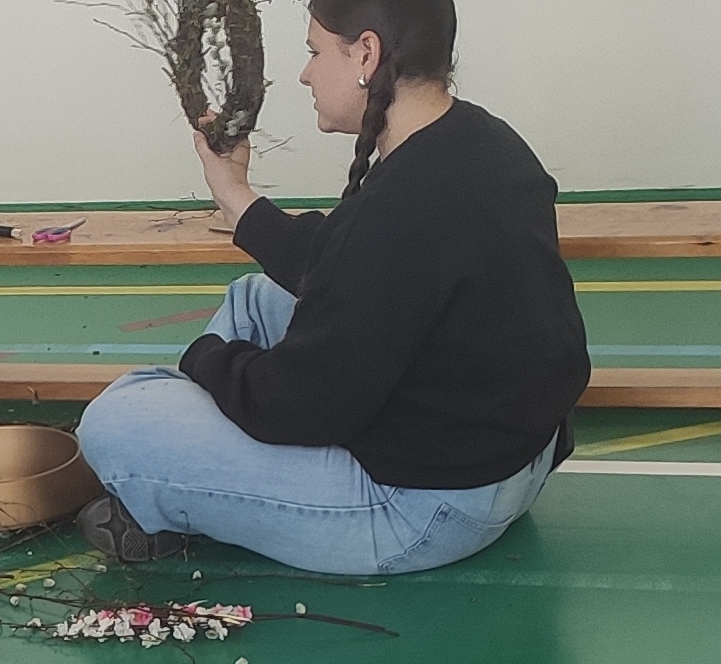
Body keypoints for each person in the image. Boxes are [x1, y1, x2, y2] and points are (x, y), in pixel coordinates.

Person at [72, 0, 585, 577]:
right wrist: (235, 194)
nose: (305, 73)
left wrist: (209, 361)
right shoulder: (481, 140)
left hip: (424, 509)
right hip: (513, 462)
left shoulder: (398, 211)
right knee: (254, 298)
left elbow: (301, 407)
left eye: (315, 52)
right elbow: (353, 265)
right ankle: (193, 465)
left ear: (366, 54)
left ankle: (176, 481)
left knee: (116, 421)